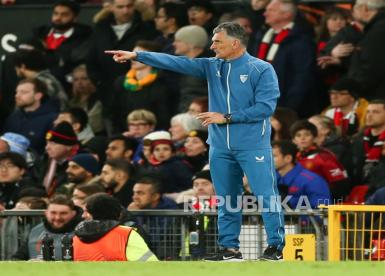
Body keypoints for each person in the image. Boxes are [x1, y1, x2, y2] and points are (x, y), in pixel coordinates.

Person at [106, 21, 285, 261]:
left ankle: (275, 247)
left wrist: (227, 118)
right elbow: (175, 62)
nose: (211, 46)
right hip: (219, 146)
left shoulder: (261, 69)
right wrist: (138, 55)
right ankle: (229, 248)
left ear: (235, 43)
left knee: (266, 195)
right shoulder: (213, 66)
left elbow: (265, 108)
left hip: (252, 145)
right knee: (226, 199)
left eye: (217, 41)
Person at [73, 193, 157, 261]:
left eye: (86, 212)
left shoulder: (75, 237)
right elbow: (150, 264)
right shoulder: (126, 234)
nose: (83, 216)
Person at [12, 194, 83, 260]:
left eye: (63, 213)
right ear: (46, 213)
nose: (57, 217)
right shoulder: (36, 231)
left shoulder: (83, 232)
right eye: (53, 213)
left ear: (73, 213)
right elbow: (18, 258)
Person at [273, 140, 331, 209]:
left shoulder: (313, 181)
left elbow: (321, 212)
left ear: (288, 158)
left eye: (273, 156)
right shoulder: (270, 180)